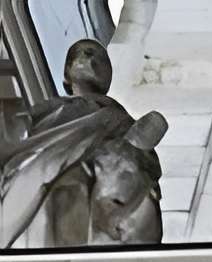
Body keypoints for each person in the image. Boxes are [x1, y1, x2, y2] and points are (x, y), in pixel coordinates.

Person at [0, 36, 165, 249]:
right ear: (66, 79)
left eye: (99, 56)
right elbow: (18, 135)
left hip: (80, 182)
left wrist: (124, 152)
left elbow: (138, 165)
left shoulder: (118, 120)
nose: (89, 56)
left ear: (108, 77)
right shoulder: (50, 110)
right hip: (34, 170)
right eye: (81, 52)